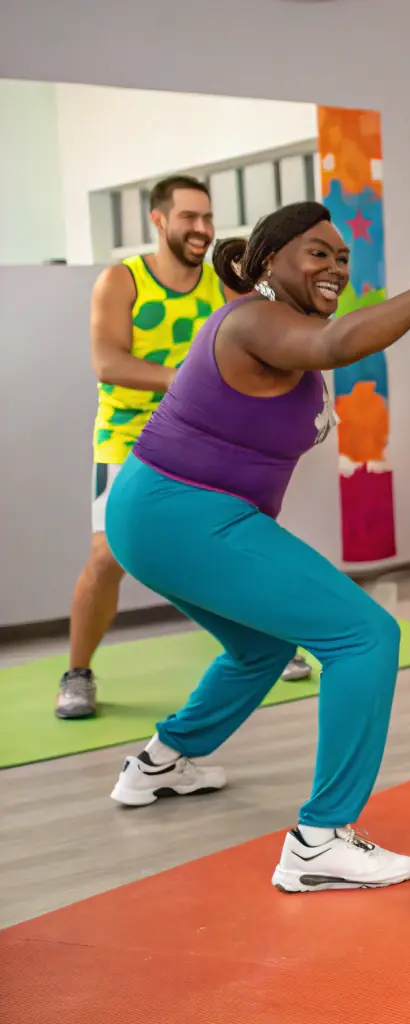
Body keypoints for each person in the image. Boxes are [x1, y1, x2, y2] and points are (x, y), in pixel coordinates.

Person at [102, 201, 410, 892]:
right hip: (183, 512)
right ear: (269, 262)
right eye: (317, 253)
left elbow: (333, 340)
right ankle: (319, 839)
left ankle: (158, 763)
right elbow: (335, 346)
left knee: (261, 648)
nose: (334, 267)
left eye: (341, 258)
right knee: (364, 636)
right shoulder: (254, 318)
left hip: (164, 514)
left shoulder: (281, 326)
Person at [56, 175, 310, 720]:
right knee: (107, 556)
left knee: (239, 539)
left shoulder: (222, 285)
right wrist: (188, 377)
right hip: (128, 437)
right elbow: (108, 363)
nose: (202, 229)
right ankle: (78, 672)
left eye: (208, 218)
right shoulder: (123, 282)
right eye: (190, 218)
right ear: (158, 220)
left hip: (204, 435)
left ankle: (265, 644)